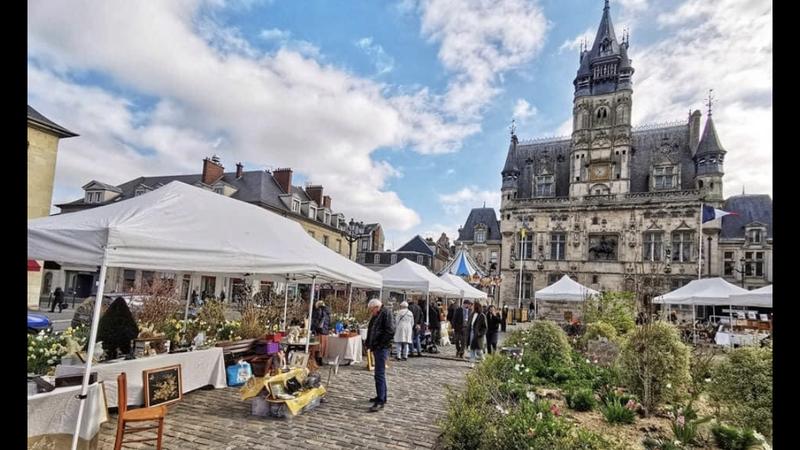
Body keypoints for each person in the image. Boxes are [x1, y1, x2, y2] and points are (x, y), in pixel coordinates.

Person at [365, 298, 394, 412]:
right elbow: (372, 329)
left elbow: (390, 331)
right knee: (378, 374)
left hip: (382, 348)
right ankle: (381, 396)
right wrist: (369, 343)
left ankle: (381, 400)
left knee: (379, 374)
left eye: (372, 310)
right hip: (378, 347)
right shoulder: (379, 314)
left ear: (376, 307)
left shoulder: (386, 313)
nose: (371, 312)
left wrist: (380, 343)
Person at [311, 300, 331, 365]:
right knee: (323, 346)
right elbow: (329, 322)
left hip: (319, 330)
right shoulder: (327, 312)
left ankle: (317, 359)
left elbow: (316, 321)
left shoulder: (319, 310)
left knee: (317, 345)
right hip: (325, 331)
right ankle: (321, 359)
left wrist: (313, 329)